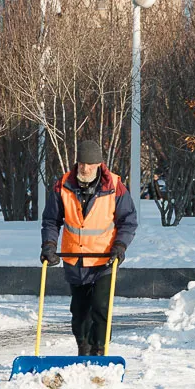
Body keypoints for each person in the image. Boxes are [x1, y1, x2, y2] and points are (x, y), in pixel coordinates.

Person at [40, 140, 138, 356]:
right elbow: (50, 220)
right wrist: (49, 245)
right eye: (82, 163)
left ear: (98, 165)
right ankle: (83, 349)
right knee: (79, 311)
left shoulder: (114, 186)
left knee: (101, 307)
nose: (85, 168)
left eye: (90, 164)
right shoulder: (62, 185)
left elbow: (128, 221)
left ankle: (100, 351)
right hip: (74, 259)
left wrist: (120, 246)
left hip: (105, 259)